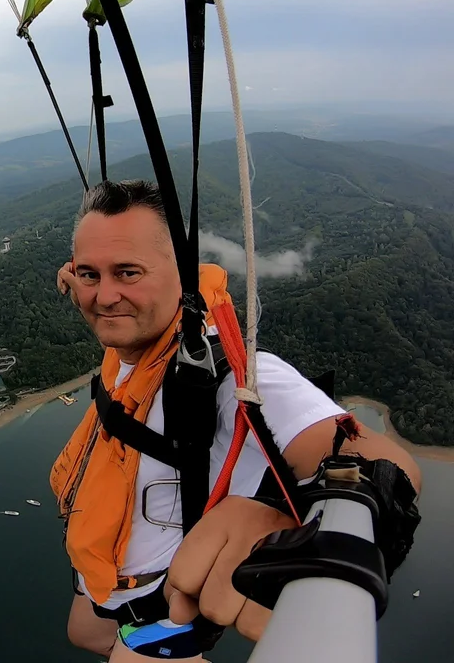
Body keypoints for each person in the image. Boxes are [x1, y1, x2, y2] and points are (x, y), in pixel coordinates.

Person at [53, 179, 421, 662]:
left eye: (128, 272)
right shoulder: (130, 334)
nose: (104, 296)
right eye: (88, 274)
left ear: (181, 274)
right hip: (105, 576)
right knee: (82, 634)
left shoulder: (232, 376)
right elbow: (97, 284)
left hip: (166, 602)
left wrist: (288, 529)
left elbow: (386, 464)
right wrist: (76, 276)